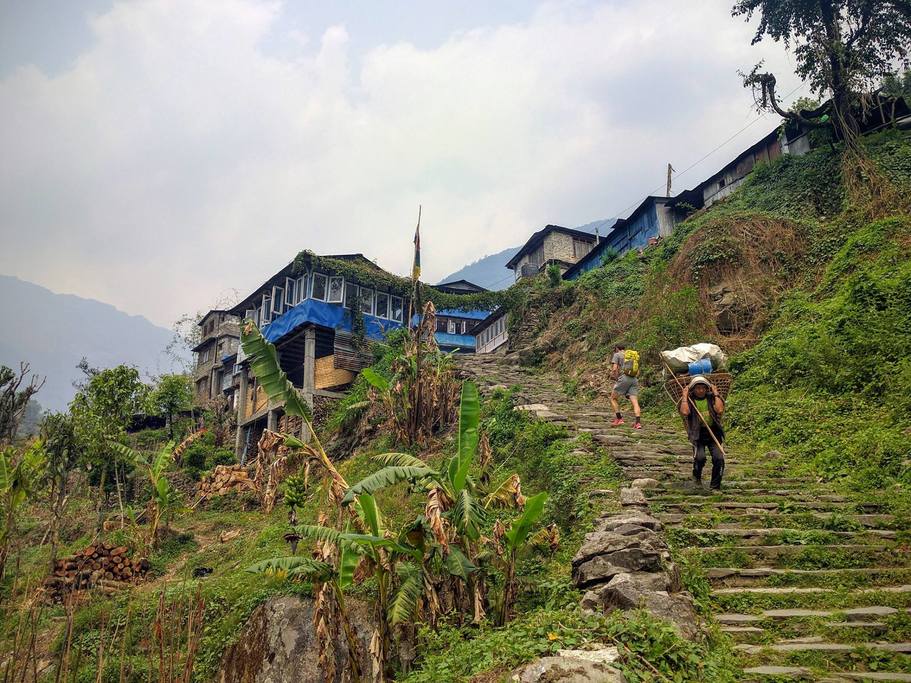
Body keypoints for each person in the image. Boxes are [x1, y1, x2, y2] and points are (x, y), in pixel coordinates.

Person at [680, 375, 725, 489]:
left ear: (707, 389)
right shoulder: (690, 399)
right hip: (697, 433)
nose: (700, 390)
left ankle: (715, 486)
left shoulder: (711, 397)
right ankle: (697, 476)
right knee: (700, 458)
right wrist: (684, 396)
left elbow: (719, 410)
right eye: (697, 388)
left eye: (703, 388)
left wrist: (715, 393)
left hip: (713, 432)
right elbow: (684, 412)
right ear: (693, 389)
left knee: (719, 458)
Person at [610, 344, 641, 429]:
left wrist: (616, 378)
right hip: (634, 379)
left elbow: (614, 369)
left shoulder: (617, 355)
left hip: (624, 378)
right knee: (635, 402)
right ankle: (638, 423)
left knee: (613, 398)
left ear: (617, 348)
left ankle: (619, 419)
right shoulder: (632, 356)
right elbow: (638, 372)